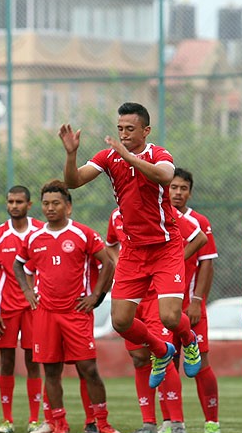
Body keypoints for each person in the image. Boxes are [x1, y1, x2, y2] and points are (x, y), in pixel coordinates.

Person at [60, 102, 201, 390]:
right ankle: (161, 351)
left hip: (165, 247)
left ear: (146, 131)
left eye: (130, 129)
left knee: (171, 317)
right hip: (134, 251)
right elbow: (73, 182)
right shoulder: (109, 157)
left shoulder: (158, 154)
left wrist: (128, 156)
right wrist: (71, 154)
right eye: (120, 129)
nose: (123, 134)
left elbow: (164, 175)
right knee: (121, 322)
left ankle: (189, 340)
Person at [13, 180, 118, 433]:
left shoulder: (83, 233)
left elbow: (108, 264)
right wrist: (28, 292)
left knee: (88, 368)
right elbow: (19, 265)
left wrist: (96, 296)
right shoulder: (34, 237)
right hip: (46, 313)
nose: (50, 208)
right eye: (46, 204)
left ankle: (101, 423)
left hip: (76, 312)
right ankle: (59, 423)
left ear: (68, 207)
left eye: (56, 203)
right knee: (51, 370)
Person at [109, 207, 205, 433]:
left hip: (155, 296)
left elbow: (199, 238)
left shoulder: (163, 211)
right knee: (140, 357)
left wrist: (169, 264)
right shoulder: (116, 215)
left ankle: (177, 423)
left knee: (164, 351)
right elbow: (110, 243)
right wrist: (120, 263)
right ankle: (148, 424)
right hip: (131, 294)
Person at [0, 186, 44, 433]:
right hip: (6, 309)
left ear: (29, 205)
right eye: (10, 201)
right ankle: (7, 420)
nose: (14, 205)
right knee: (6, 362)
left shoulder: (41, 231)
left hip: (34, 308)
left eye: (19, 201)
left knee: (33, 360)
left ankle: (33, 419)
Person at [168, 168, 221, 433]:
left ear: (190, 191)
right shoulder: (157, 217)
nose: (177, 192)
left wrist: (197, 301)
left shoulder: (199, 221)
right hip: (164, 307)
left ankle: (212, 422)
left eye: (183, 188)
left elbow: (207, 262)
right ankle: (172, 423)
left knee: (200, 363)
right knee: (166, 361)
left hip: (189, 306)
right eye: (173, 187)